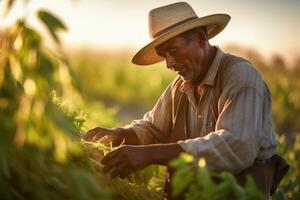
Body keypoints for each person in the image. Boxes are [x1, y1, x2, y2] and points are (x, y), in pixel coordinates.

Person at [83, 2, 289, 199]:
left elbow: (236, 146)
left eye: (173, 51)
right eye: (164, 56)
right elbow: (153, 128)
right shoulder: (180, 86)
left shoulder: (240, 76)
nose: (169, 64)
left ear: (200, 38)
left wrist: (149, 154)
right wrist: (119, 135)